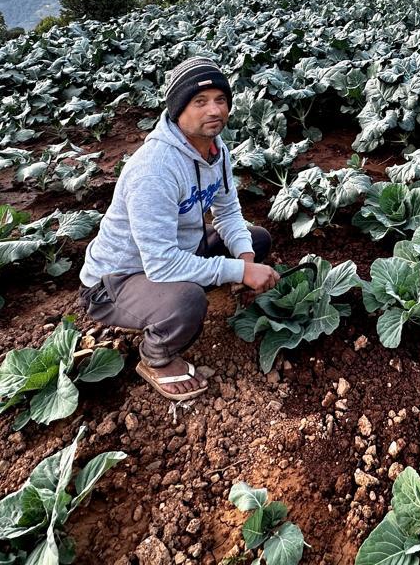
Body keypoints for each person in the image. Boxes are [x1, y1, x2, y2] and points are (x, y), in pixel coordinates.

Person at [79, 56, 279, 401]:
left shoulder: (217, 151)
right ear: (177, 109)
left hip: (179, 252)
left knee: (257, 240)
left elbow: (228, 212)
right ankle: (155, 357)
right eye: (200, 102)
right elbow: (160, 264)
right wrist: (238, 271)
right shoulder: (154, 170)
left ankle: (217, 282)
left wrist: (244, 261)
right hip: (117, 280)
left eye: (220, 100)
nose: (214, 111)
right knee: (187, 300)